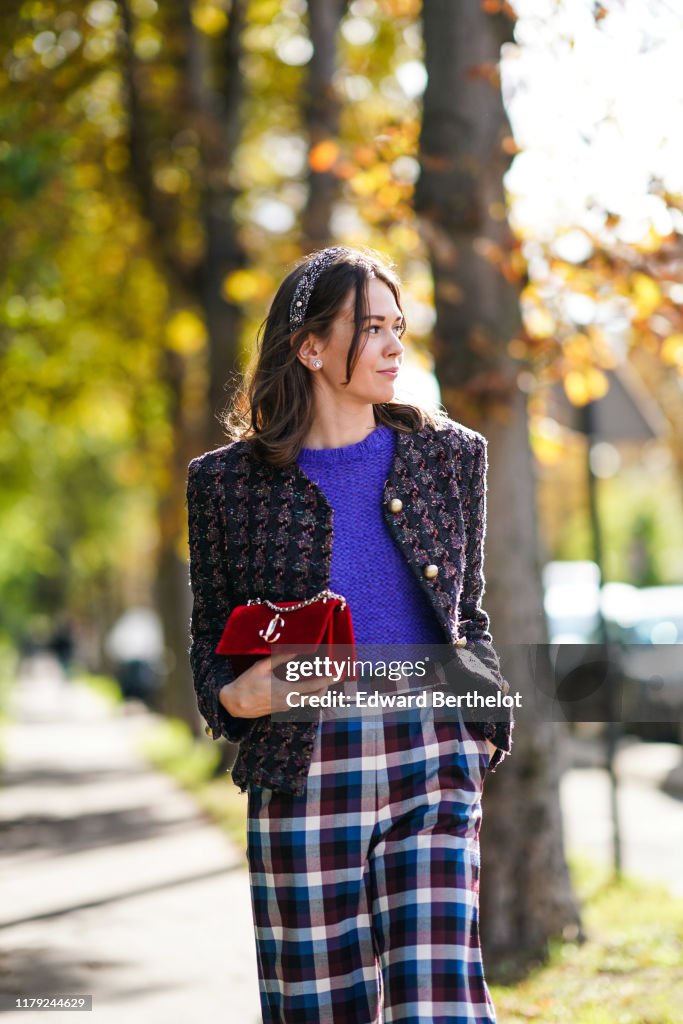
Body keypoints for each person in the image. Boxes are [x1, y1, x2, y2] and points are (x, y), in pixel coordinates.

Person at [186, 245, 514, 1023]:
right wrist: (238, 696)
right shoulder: (225, 484)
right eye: (371, 328)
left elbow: (465, 612)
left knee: (440, 1006)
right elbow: (209, 638)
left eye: (397, 326)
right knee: (319, 1006)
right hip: (302, 765)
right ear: (309, 346)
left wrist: (482, 726)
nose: (395, 346)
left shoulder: (450, 457)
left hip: (431, 754)